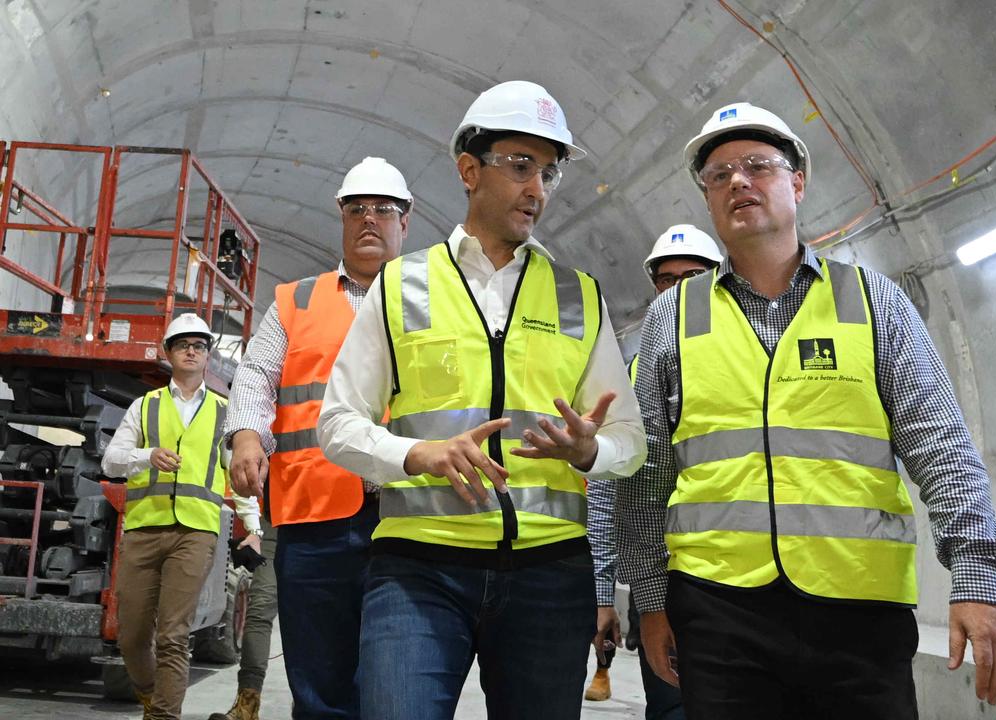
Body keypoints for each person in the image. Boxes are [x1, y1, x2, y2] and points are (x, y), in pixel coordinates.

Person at [617, 102, 996, 719]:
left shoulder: (872, 302)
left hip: (860, 612)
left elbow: (941, 448)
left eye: (758, 165)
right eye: (719, 175)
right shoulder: (672, 318)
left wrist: (978, 578)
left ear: (798, 182)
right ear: (707, 199)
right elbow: (646, 473)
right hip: (720, 611)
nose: (738, 182)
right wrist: (649, 600)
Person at [316, 80, 645, 720]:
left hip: (550, 576)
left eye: (547, 173)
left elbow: (630, 442)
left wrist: (590, 450)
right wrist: (417, 454)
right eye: (519, 166)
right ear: (470, 170)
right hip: (418, 571)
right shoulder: (402, 284)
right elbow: (337, 423)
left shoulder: (579, 296)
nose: (537, 190)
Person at [224, 156, 413, 718]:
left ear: (407, 219)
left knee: (400, 679)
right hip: (315, 519)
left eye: (383, 209)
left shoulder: (434, 300)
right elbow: (257, 374)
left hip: (410, 515)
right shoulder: (295, 302)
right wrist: (247, 435)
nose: (369, 220)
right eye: (357, 209)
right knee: (320, 682)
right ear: (341, 218)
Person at [586, 224, 721, 713]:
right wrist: (605, 593)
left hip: (740, 583)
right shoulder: (634, 375)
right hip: (663, 585)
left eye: (694, 276)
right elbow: (608, 495)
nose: (680, 289)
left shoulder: (747, 360)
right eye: (667, 280)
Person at [101, 313, 260, 720]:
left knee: (173, 634)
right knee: (133, 635)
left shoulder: (226, 413)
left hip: (196, 532)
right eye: (183, 344)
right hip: (143, 528)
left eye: (200, 345)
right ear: (168, 352)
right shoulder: (145, 406)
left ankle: (162, 716)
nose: (192, 350)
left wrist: (253, 528)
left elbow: (240, 476)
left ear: (207, 356)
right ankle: (151, 695)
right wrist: (146, 456)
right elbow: (113, 461)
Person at [207, 517, 276, 720]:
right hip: (277, 524)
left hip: (330, 526)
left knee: (312, 618)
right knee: (260, 609)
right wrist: (255, 526)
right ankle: (247, 706)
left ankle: (308, 706)